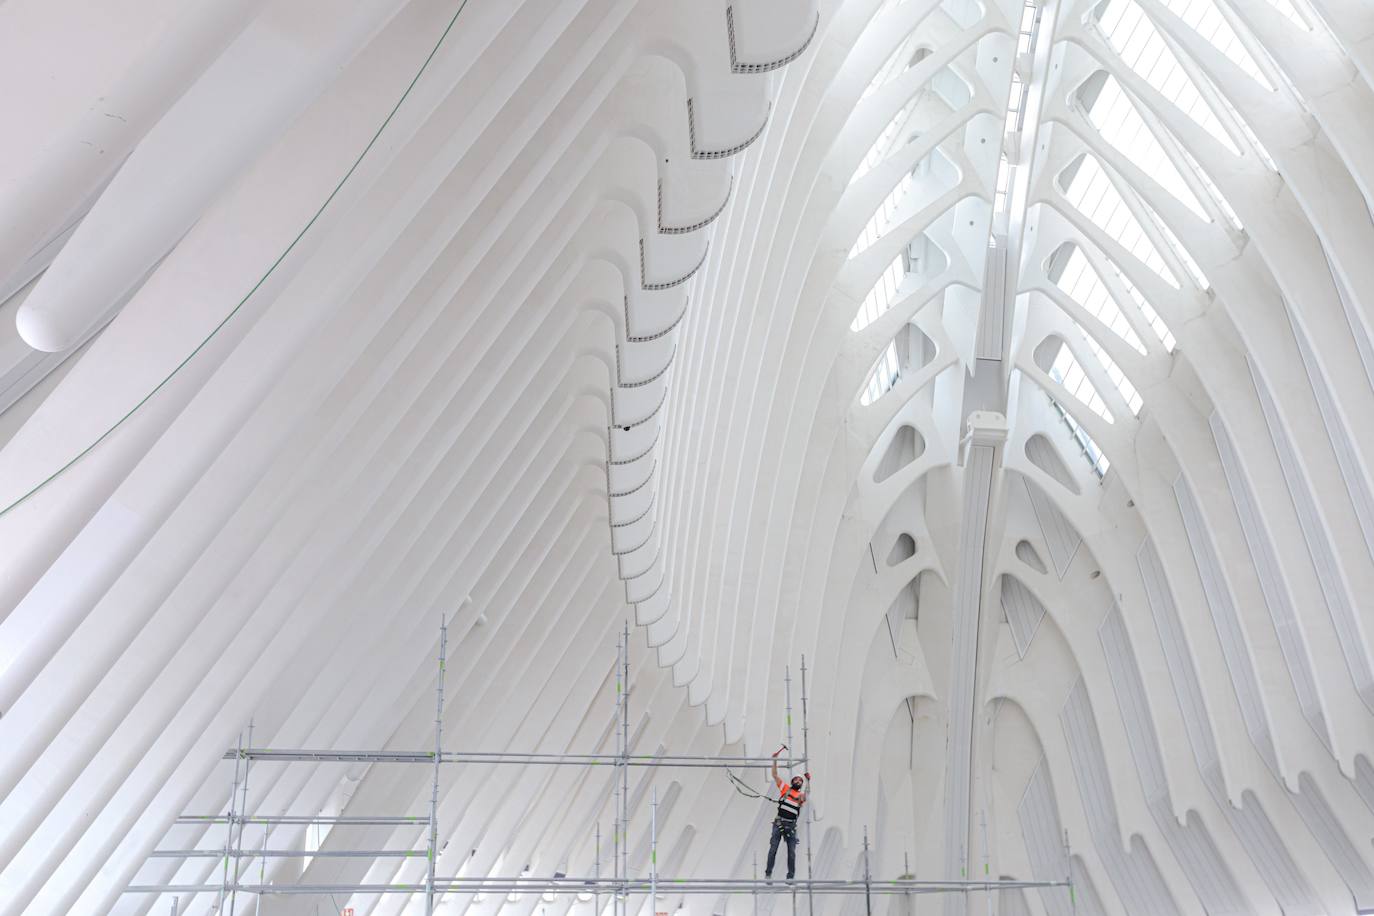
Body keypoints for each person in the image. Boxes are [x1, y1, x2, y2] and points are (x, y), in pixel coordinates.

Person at [764, 747, 809, 881]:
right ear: (792, 781)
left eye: (800, 781)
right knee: (773, 850)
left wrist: (808, 782)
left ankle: (790, 877)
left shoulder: (801, 795)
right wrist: (774, 760)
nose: (798, 782)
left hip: (790, 826)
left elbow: (805, 797)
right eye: (796, 780)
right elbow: (774, 775)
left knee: (792, 853)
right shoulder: (785, 789)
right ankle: (768, 873)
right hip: (779, 823)